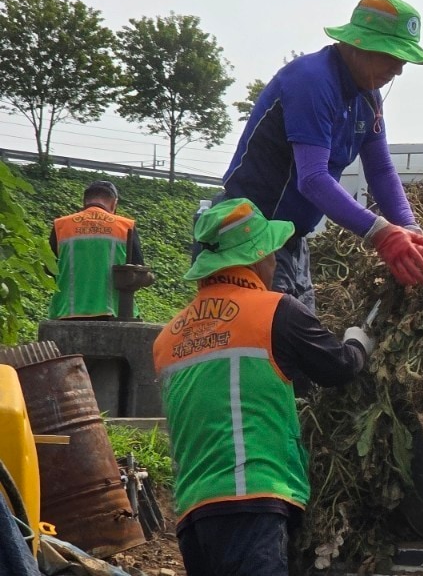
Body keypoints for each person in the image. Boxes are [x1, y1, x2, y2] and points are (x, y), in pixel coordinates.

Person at [153, 199, 375, 576]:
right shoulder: (275, 311)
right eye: (272, 254)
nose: (275, 264)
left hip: (192, 511)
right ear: (255, 258)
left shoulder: (167, 337)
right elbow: (337, 368)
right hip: (252, 500)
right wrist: (357, 343)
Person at [220, 0, 423, 311]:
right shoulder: (312, 80)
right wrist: (380, 233)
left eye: (403, 60)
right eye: (392, 56)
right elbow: (312, 179)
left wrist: (410, 230)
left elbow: (380, 170)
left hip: (292, 239)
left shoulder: (367, 95)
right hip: (249, 235)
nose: (398, 70)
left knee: (295, 345)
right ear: (359, 44)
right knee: (269, 343)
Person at [48, 180, 144, 320]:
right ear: (114, 203)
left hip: (66, 311)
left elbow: (49, 269)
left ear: (85, 201)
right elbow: (139, 271)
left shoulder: (61, 225)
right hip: (114, 312)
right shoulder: (125, 226)